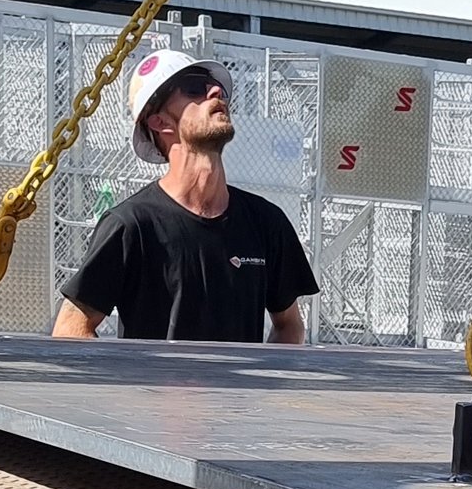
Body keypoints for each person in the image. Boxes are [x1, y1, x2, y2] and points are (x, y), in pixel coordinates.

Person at [52, 45, 317, 343]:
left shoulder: (266, 222)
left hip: (242, 392)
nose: (216, 91)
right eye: (193, 88)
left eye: (215, 87)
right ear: (159, 121)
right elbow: (71, 330)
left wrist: (265, 385)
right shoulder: (132, 226)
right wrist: (128, 386)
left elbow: (289, 325)